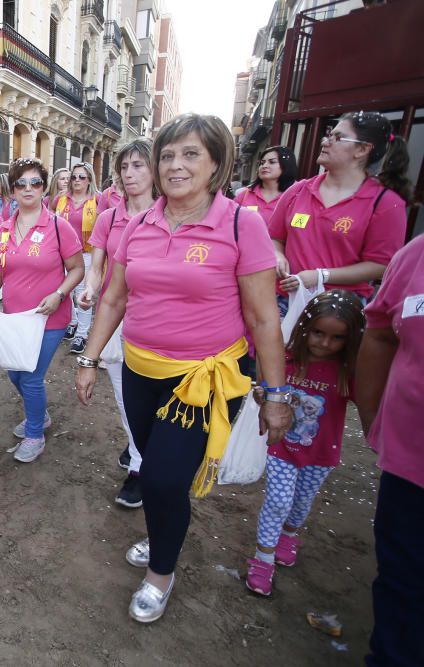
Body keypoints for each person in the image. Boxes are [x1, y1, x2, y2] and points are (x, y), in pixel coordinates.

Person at [74, 113, 292, 623]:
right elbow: (113, 299)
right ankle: (161, 535)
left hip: (202, 381)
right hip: (139, 371)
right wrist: (88, 358)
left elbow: (263, 317)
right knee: (154, 469)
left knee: (165, 481)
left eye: (191, 154)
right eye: (167, 155)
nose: (175, 165)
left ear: (217, 163)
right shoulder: (140, 223)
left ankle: (161, 573)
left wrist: (276, 394)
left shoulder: (242, 223)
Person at [245, 290, 364, 596]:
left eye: (336, 338)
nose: (324, 343)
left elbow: (368, 398)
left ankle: (289, 535)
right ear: (304, 328)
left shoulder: (349, 372)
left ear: (350, 341)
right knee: (278, 501)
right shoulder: (284, 359)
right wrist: (262, 396)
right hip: (282, 447)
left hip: (321, 452)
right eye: (318, 333)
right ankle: (263, 559)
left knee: (300, 503)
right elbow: (265, 385)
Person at [0, 158, 84, 463]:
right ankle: (39, 413)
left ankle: (35, 434)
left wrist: (59, 293)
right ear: (12, 189)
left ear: (43, 187)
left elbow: (77, 268)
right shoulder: (5, 229)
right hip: (14, 318)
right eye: (21, 183)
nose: (28, 189)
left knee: (31, 377)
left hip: (49, 317)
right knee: (15, 374)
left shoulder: (57, 226)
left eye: (35, 182)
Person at [356, 234, 424, 666]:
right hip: (410, 462)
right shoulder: (416, 255)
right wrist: (374, 421)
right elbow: (379, 336)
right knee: (403, 580)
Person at [77, 139, 157, 509]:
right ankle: (141, 467)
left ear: (154, 169)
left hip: (156, 323)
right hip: (113, 321)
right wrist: (89, 290)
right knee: (127, 399)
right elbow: (97, 268)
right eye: (124, 167)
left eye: (138, 165)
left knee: (153, 400)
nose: (130, 174)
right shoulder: (109, 218)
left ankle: (142, 449)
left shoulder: (170, 215)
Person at [269, 111, 410, 310]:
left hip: (339, 310)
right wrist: (278, 256)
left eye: (337, 137)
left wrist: (320, 276)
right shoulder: (298, 191)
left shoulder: (385, 203)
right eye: (328, 135)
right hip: (285, 300)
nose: (325, 142)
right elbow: (275, 237)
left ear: (362, 149)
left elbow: (380, 265)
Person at [55, 161, 98, 354]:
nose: (77, 180)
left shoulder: (97, 201)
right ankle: (72, 323)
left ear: (89, 179)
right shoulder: (61, 199)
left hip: (86, 253)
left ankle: (82, 333)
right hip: (63, 253)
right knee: (65, 289)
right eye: (74, 177)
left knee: (82, 293)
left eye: (82, 177)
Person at [234, 146, 297, 225]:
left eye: (272, 162)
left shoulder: (297, 196)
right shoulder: (244, 194)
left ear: (286, 165)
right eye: (262, 163)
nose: (264, 166)